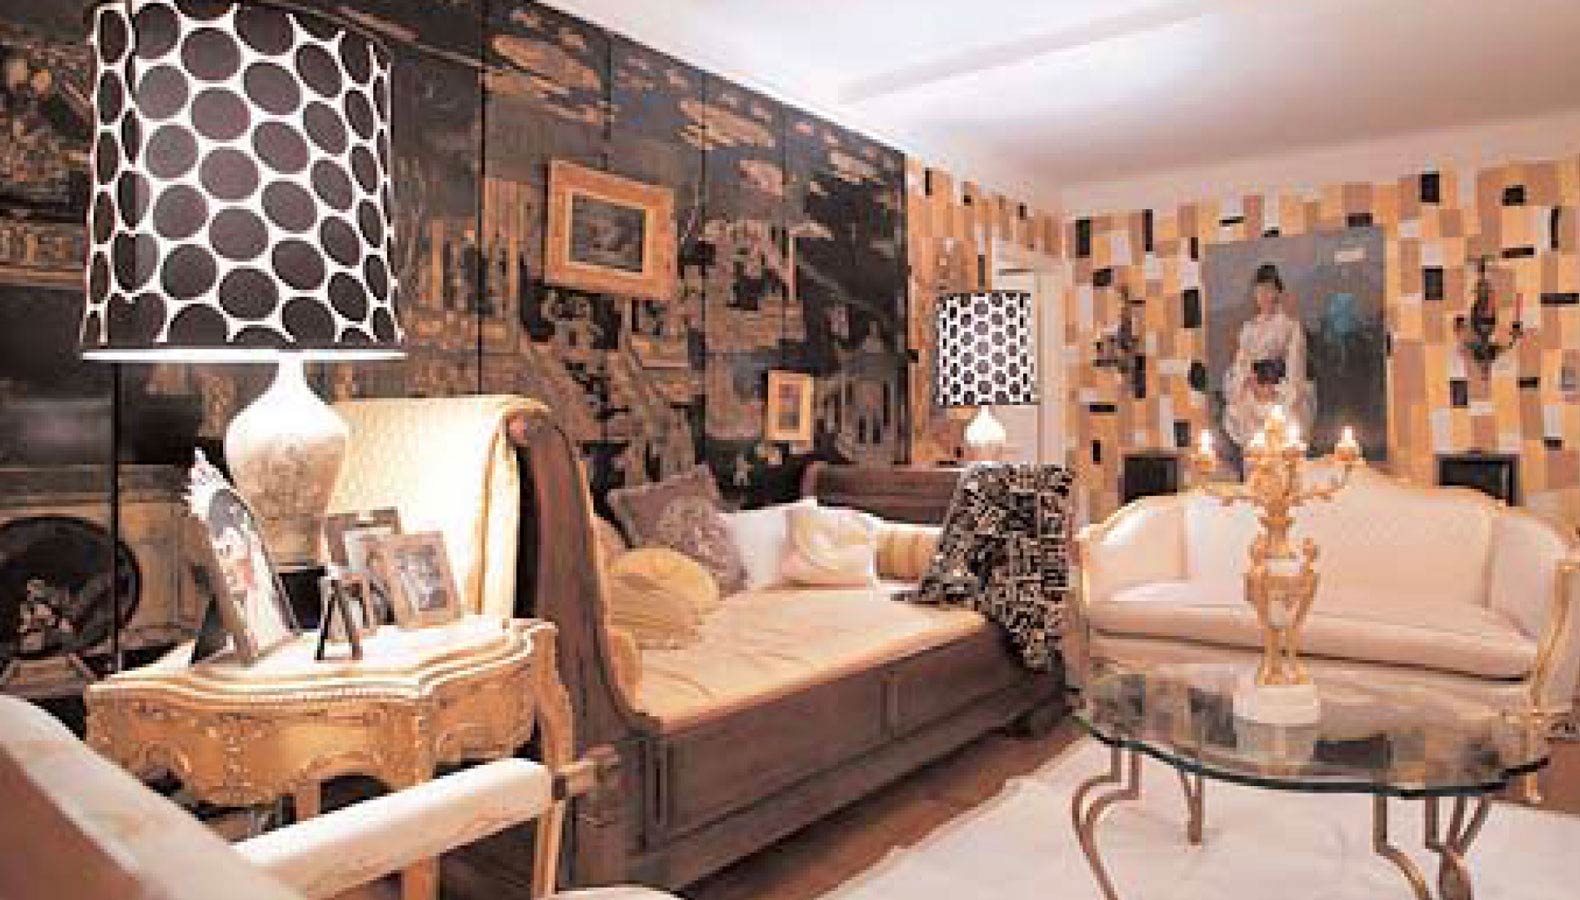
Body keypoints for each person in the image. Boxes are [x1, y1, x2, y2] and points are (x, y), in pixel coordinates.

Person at [1221, 263, 1315, 450]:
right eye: (1259, 291)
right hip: (1252, 389)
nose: (1264, 295)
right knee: (1243, 416)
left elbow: (1295, 366)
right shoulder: (1248, 328)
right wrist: (1253, 384)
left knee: (1284, 424)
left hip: (1280, 389)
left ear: (1278, 292)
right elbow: (1242, 362)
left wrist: (1275, 389)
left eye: (1269, 290)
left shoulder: (1290, 326)